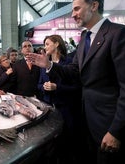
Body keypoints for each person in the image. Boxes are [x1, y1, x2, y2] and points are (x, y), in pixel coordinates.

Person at [28, 0, 125, 164]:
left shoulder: (119, 34)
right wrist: (49, 65)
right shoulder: (85, 37)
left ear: (94, 6)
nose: (73, 14)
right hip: (86, 120)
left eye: (77, 9)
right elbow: (74, 72)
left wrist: (116, 131)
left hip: (109, 123)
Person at [37, 34, 83, 163]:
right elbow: (39, 84)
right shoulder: (44, 64)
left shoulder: (69, 62)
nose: (45, 47)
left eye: (47, 44)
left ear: (57, 44)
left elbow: (76, 87)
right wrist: (44, 87)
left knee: (68, 142)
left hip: (67, 108)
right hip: (50, 108)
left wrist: (57, 87)